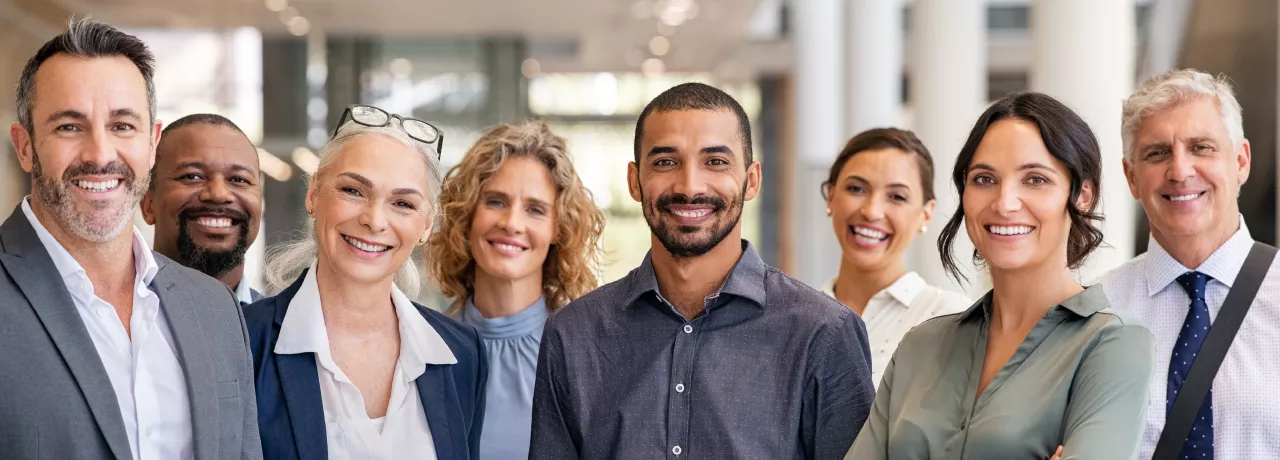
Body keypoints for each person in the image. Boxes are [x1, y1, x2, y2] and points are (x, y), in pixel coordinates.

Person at [530, 82, 876, 460]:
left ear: (752, 180)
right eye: (665, 162)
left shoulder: (823, 333)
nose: (690, 186)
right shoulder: (573, 334)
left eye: (715, 161)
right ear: (634, 181)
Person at [0, 18, 262, 460]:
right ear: (25, 147)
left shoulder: (214, 309)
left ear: (152, 143)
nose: (100, 154)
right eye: (69, 126)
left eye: (122, 125)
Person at [847, 92, 1154, 460]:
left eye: (1035, 179)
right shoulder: (919, 346)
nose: (1005, 202)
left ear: (1082, 195)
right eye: (984, 179)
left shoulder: (1114, 347)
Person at [244, 105, 486, 459]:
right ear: (313, 195)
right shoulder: (244, 343)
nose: (374, 220)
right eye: (354, 191)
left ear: (426, 226)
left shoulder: (462, 352)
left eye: (402, 203)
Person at [1100, 69, 1280, 459]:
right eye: (1157, 152)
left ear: (1241, 161)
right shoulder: (1095, 312)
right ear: (1131, 177)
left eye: (1201, 147)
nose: (1180, 171)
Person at [426, 120, 604, 460]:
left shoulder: (585, 354)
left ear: (559, 229)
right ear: (468, 215)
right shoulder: (422, 346)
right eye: (495, 201)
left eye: (535, 209)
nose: (512, 223)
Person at [820, 127, 970, 383]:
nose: (871, 211)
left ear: (926, 213)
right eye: (856, 188)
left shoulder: (952, 321)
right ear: (831, 195)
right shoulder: (794, 317)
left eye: (896, 196)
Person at [142, 113, 264, 306]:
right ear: (147, 203)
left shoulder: (285, 329)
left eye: (238, 179)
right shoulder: (110, 320)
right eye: (192, 176)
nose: (218, 194)